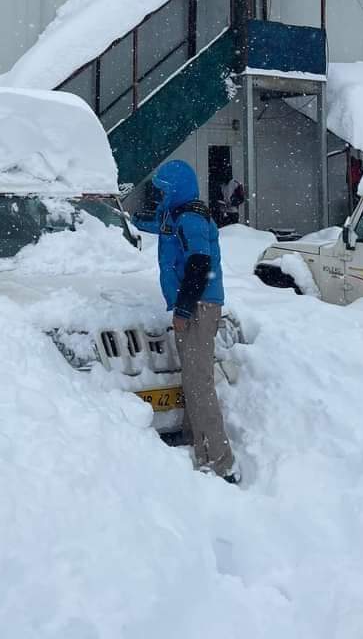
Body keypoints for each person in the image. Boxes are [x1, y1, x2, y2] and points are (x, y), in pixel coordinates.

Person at [134, 160, 240, 484]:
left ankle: (220, 462)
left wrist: (182, 311)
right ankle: (195, 441)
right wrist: (131, 219)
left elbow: (199, 264)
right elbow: (160, 228)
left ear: (177, 189)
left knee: (200, 383)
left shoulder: (192, 218)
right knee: (193, 380)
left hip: (198, 305)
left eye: (164, 190)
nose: (160, 195)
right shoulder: (177, 214)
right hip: (194, 303)